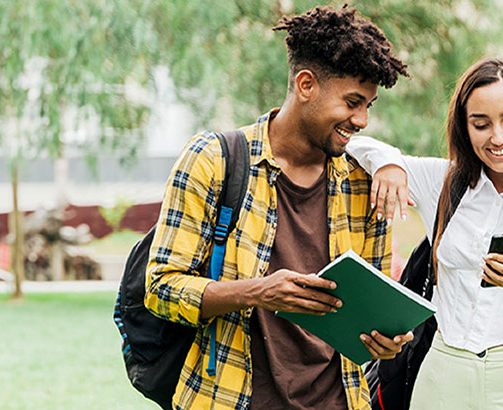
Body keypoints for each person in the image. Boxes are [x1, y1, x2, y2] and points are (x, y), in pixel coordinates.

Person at [142, 6, 413, 409]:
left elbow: (368, 318)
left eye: (369, 105)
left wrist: (385, 341)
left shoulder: (366, 182)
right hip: (229, 398)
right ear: (306, 84)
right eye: (353, 102)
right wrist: (258, 292)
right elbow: (161, 289)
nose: (362, 120)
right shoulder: (214, 160)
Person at [346, 57, 503, 408]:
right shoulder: (442, 182)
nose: (498, 137)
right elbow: (354, 146)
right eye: (481, 124)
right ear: (464, 127)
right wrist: (389, 164)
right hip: (442, 376)